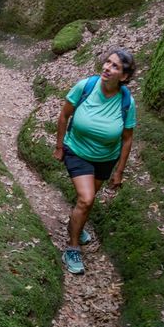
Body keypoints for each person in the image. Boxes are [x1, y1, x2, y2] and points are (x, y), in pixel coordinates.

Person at [52, 48, 137, 275]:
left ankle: (76, 227)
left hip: (106, 158)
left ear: (125, 77)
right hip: (77, 150)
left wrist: (119, 171)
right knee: (87, 199)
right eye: (107, 63)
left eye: (115, 66)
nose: (107, 68)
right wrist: (59, 146)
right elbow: (64, 116)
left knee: (86, 201)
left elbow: (127, 139)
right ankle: (72, 247)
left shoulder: (127, 102)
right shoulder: (85, 87)